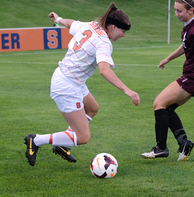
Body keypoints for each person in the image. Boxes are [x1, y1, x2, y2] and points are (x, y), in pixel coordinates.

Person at [24, 3, 140, 166]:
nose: (124, 35)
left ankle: (62, 143)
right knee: (83, 137)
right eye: (123, 31)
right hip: (66, 86)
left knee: (92, 108)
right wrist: (127, 90)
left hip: (72, 80)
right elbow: (104, 70)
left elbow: (71, 24)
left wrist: (58, 19)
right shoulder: (103, 42)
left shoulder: (92, 26)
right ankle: (36, 140)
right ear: (113, 27)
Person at [141, 0, 194, 161]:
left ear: (191, 11)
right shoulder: (191, 25)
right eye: (175, 10)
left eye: (179, 11)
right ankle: (184, 143)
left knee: (158, 103)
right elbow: (185, 45)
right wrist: (168, 59)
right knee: (167, 108)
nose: (176, 14)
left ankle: (161, 148)